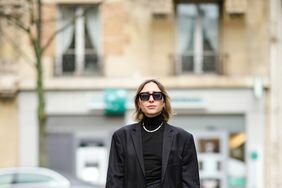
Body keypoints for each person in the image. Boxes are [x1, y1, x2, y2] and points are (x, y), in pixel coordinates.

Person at [106, 79, 200, 188]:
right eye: (145, 96)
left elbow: (190, 183)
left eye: (157, 96)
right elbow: (114, 181)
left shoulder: (183, 138)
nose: (151, 99)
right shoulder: (122, 137)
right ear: (139, 103)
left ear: (164, 102)